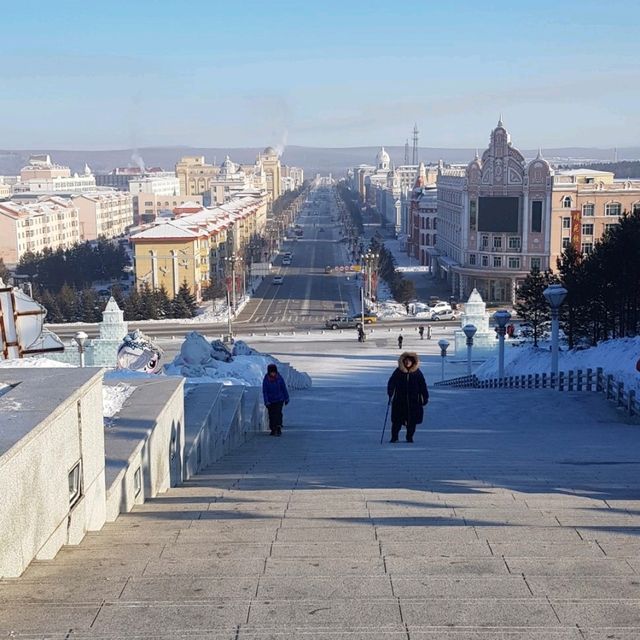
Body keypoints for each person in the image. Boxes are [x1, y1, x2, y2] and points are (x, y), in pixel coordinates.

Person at [387, 352, 429, 443]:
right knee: (397, 421)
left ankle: (409, 437)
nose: (407, 362)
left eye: (409, 361)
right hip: (399, 400)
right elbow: (392, 382)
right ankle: (394, 437)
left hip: (413, 401)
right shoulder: (398, 371)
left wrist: (425, 397)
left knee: (412, 421)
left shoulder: (417, 373)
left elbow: (423, 385)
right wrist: (390, 392)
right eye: (405, 361)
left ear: (413, 362)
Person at [262, 363, 289, 436]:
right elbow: (265, 392)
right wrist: (266, 401)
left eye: (274, 372)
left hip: (279, 399)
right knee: (271, 415)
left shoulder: (280, 378)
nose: (273, 374)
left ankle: (278, 427)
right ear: (269, 372)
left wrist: (286, 398)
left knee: (278, 413)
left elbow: (284, 388)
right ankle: (273, 429)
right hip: (270, 401)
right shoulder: (266, 380)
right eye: (271, 372)